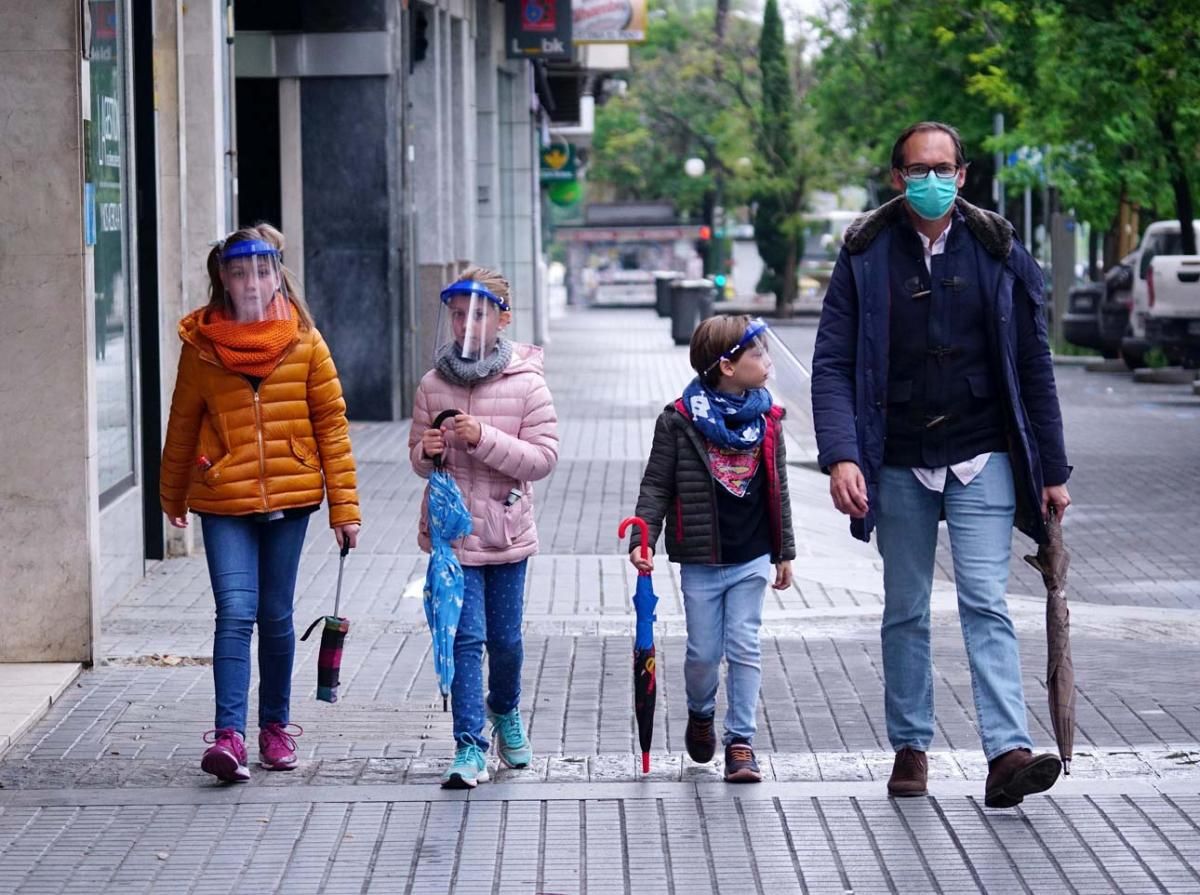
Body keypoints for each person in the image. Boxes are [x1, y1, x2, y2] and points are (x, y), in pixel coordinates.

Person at [810, 121, 1072, 808]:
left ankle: (1006, 752)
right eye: (917, 167)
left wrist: (1052, 468)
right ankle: (909, 746)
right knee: (905, 608)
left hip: (982, 451)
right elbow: (833, 362)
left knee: (986, 600)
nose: (931, 178)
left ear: (962, 174)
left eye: (944, 167)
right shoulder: (865, 253)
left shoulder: (997, 249)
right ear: (897, 177)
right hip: (896, 458)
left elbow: (1034, 364)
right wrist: (840, 453)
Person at [160, 224, 361, 783]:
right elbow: (182, 423)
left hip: (291, 497)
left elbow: (332, 425)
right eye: (240, 272)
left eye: (262, 271)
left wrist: (345, 510)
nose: (252, 282)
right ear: (222, 280)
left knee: (276, 617)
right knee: (235, 612)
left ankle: (274, 728)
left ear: (278, 276)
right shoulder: (201, 348)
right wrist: (171, 492)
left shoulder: (305, 340)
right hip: (223, 498)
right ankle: (228, 736)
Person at [409, 267, 559, 789]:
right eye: (457, 314)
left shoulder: (528, 382)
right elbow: (418, 458)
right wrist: (427, 453)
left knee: (507, 640)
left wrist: (482, 438)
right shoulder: (432, 383)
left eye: (478, 313)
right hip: (453, 538)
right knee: (465, 639)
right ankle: (469, 746)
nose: (466, 323)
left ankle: (506, 711)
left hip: (506, 532)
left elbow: (542, 458)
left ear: (502, 318)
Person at [628, 315, 795, 783]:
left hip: (753, 554)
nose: (766, 361)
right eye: (757, 354)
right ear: (726, 366)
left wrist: (785, 551)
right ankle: (700, 712)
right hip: (700, 560)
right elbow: (656, 485)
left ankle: (740, 742)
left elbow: (778, 488)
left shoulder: (768, 420)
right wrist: (643, 540)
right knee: (702, 652)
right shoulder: (680, 420)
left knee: (744, 646)